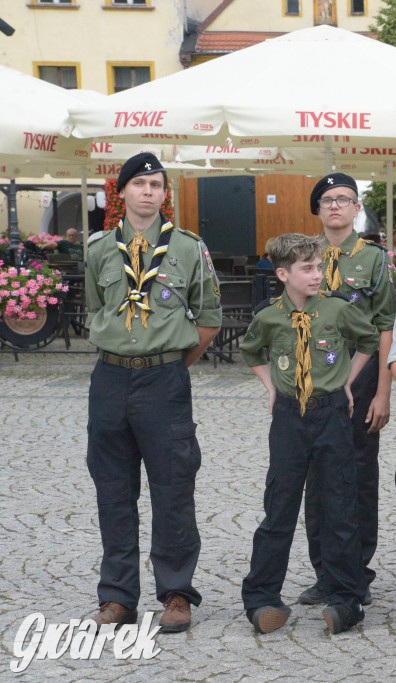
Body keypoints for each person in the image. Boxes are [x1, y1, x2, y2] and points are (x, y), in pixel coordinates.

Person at [83, 152, 222, 633]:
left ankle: (177, 593)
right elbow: (95, 309)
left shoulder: (188, 248)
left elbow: (208, 318)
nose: (148, 191)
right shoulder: (99, 249)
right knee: (113, 491)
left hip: (164, 381)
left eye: (156, 184)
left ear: (166, 194)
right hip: (110, 379)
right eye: (139, 184)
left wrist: (168, 365)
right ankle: (118, 596)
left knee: (173, 489)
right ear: (121, 193)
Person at [239, 234, 379, 635]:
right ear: (283, 274)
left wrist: (348, 382)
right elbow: (252, 352)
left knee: (339, 507)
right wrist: (270, 388)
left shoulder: (337, 309)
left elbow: (369, 341)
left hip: (332, 413)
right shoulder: (268, 316)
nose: (317, 274)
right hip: (288, 416)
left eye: (319, 266)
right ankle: (262, 597)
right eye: (307, 268)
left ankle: (346, 598)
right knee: (279, 508)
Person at [298, 173, 396, 610]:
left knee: (358, 475)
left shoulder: (374, 259)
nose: (336, 206)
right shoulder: (302, 255)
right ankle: (324, 572)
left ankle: (357, 570)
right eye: (327, 200)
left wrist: (383, 393)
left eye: (345, 199)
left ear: (357, 209)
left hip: (361, 377)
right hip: (312, 381)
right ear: (317, 209)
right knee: (316, 477)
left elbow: (386, 325)